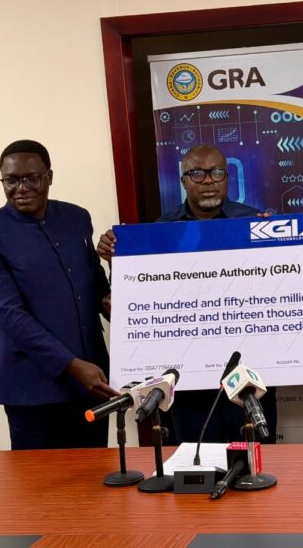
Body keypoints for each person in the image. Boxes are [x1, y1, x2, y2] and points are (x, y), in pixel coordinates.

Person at [97, 144, 277, 444]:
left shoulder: (258, 223)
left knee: (254, 460)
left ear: (227, 177)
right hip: (187, 381)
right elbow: (137, 297)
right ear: (183, 180)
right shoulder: (158, 232)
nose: (208, 180)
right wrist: (117, 257)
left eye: (216, 172)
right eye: (197, 173)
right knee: (193, 462)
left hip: (248, 375)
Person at [0, 140, 118, 450]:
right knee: (40, 480)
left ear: (49, 176)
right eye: (11, 180)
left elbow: (97, 290)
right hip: (34, 391)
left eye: (32, 178)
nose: (21, 188)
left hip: (93, 383)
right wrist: (72, 365)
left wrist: (119, 266)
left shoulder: (77, 218)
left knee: (96, 476)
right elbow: (10, 316)